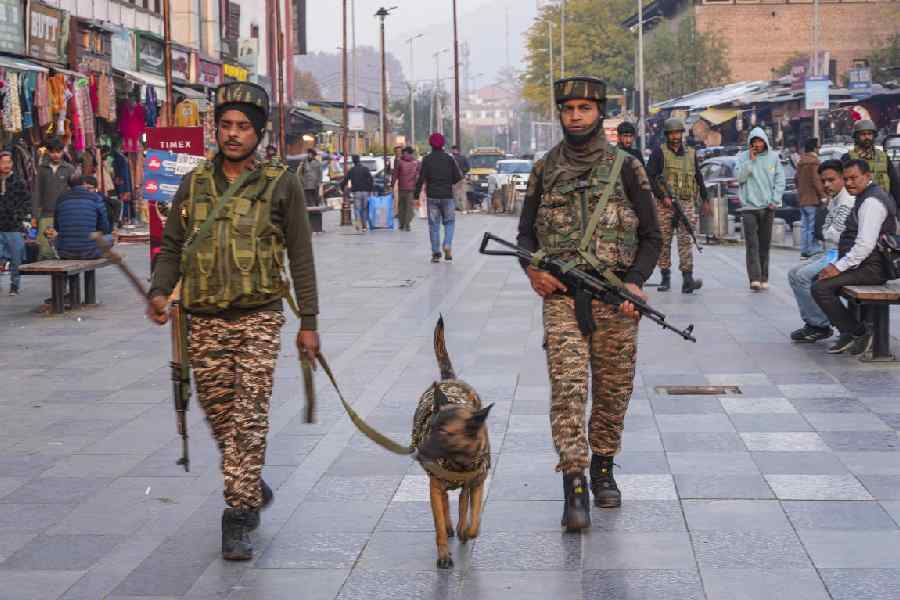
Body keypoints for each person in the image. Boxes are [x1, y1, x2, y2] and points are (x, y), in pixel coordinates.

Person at [147, 81, 320, 561]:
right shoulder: (194, 183)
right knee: (221, 414)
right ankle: (249, 481)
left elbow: (301, 256)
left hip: (259, 316)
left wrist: (308, 320)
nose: (233, 133)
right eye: (225, 125)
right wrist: (160, 291)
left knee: (249, 415)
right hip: (203, 319)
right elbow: (173, 247)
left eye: (243, 126)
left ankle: (238, 514)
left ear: (258, 133)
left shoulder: (280, 183)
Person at [517, 76, 661, 531]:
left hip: (616, 300)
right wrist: (533, 271)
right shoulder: (545, 168)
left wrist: (635, 283)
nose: (576, 116)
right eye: (568, 108)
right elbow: (524, 236)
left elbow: (652, 236)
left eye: (584, 108)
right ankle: (574, 482)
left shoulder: (628, 167)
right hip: (562, 298)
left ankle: (602, 466)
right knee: (569, 387)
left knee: (614, 390)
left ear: (600, 112)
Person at [812, 159, 897, 355]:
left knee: (820, 287)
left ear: (867, 176)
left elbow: (864, 246)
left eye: (854, 178)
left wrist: (838, 267)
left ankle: (857, 332)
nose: (849, 183)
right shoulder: (863, 196)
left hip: (873, 268)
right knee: (817, 280)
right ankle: (850, 331)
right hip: (864, 264)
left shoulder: (871, 202)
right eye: (846, 178)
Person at [788, 160, 855, 343]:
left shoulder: (847, 201)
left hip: (840, 254)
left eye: (831, 180)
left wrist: (828, 232)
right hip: (829, 251)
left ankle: (819, 325)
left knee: (802, 276)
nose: (826, 185)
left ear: (842, 178)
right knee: (794, 273)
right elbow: (826, 230)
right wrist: (828, 231)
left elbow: (835, 234)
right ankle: (815, 322)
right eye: (824, 181)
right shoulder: (835, 199)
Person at [646, 118, 708, 293]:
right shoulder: (659, 152)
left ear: (682, 134)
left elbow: (698, 176)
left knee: (685, 240)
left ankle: (687, 279)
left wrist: (705, 199)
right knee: (664, 241)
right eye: (672, 133)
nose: (675, 137)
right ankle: (665, 277)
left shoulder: (691, 153)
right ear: (667, 135)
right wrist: (662, 196)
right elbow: (650, 177)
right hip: (665, 204)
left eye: (678, 133)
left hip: (686, 202)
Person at [735, 127, 785, 291]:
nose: (757, 144)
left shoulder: (773, 157)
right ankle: (754, 278)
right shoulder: (742, 157)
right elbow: (739, 178)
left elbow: (780, 180)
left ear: (765, 142)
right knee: (752, 244)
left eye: (760, 141)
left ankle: (764, 277)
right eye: (754, 141)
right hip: (749, 207)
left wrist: (775, 199)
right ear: (750, 143)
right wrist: (750, 161)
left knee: (765, 244)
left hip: (768, 206)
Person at [415, 133, 462, 263]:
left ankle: (436, 253)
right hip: (447, 196)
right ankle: (447, 244)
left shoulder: (427, 159)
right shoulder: (449, 159)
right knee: (449, 222)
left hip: (432, 197)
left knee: (434, 225)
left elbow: (421, 179)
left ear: (430, 144)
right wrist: (448, 182)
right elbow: (457, 177)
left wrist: (415, 196)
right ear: (443, 144)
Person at [32, 138, 76, 260]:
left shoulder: (69, 168)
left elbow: (74, 191)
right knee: (45, 249)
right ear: (48, 152)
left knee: (64, 247)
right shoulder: (41, 169)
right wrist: (34, 215)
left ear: (63, 151)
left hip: (64, 214)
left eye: (58, 151)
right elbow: (36, 192)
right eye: (52, 152)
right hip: (46, 214)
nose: (56, 154)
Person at [51, 175, 111, 260]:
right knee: (110, 237)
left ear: (68, 186)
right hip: (90, 252)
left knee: (56, 238)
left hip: (65, 253)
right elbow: (105, 228)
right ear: (83, 184)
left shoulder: (61, 199)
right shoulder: (96, 198)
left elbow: (57, 227)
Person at [842, 120, 899, 206]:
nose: (867, 137)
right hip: (859, 204)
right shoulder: (848, 158)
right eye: (863, 134)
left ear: (874, 136)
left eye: (869, 134)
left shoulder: (883, 157)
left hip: (884, 204)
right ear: (856, 137)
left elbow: (895, 185)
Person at [0, 150, 29, 295]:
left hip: (13, 226)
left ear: (12, 163)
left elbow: (26, 201)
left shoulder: (19, 181)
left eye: (8, 162)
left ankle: (14, 285)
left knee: (16, 258)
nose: (6, 165)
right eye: (3, 162)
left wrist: (20, 216)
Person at [797, 138, 826, 258]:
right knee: (812, 226)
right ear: (814, 148)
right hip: (813, 199)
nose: (819, 149)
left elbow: (796, 180)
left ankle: (804, 250)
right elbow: (816, 180)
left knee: (805, 226)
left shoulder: (801, 162)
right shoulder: (814, 162)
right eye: (818, 147)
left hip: (802, 199)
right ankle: (810, 250)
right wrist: (823, 196)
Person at [341, 154, 374, 232]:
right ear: (359, 160)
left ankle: (358, 225)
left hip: (356, 192)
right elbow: (371, 180)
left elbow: (345, 180)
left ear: (353, 161)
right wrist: (370, 190)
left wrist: (342, 188)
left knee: (357, 209)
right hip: (365, 192)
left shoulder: (352, 170)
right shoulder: (365, 169)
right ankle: (364, 226)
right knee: (364, 209)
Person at [394, 146, 420, 231]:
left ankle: (403, 224)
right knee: (408, 207)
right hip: (409, 188)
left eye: (405, 153)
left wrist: (392, 185)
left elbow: (395, 175)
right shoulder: (416, 162)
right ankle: (406, 224)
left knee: (403, 207)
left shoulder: (400, 162)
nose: (404, 154)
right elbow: (419, 175)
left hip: (404, 188)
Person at [450, 145, 470, 211]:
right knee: (463, 194)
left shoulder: (451, 158)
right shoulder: (463, 158)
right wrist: (463, 171)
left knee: (454, 194)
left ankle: (457, 207)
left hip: (453, 179)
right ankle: (464, 208)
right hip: (462, 178)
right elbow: (468, 168)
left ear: (453, 150)